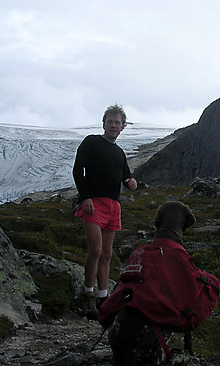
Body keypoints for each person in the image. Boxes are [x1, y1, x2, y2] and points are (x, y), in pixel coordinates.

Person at [73, 104, 137, 320]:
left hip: (113, 206)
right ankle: (88, 295)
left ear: (123, 127)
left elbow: (126, 178)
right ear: (104, 123)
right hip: (93, 203)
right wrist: (85, 197)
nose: (113, 125)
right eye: (110, 121)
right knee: (96, 250)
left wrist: (131, 182)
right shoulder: (91, 142)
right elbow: (77, 170)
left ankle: (103, 297)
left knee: (107, 253)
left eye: (117, 122)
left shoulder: (119, 153)